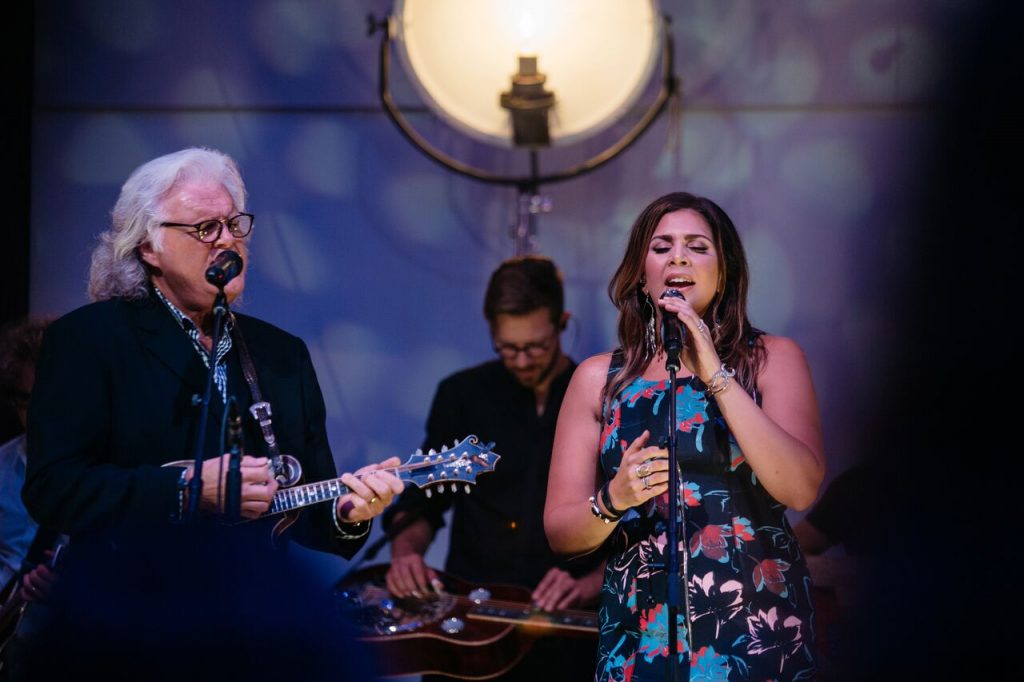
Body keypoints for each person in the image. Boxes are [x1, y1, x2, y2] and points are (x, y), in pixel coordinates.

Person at [18, 147, 403, 678]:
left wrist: (346, 512)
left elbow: (302, 498)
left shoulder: (281, 354)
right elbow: (54, 489)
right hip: (125, 631)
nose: (227, 240)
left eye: (233, 224)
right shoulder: (88, 341)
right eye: (205, 228)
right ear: (149, 246)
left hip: (255, 634)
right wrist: (185, 490)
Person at [545, 192, 824, 681]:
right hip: (641, 622)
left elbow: (799, 487)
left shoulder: (772, 359)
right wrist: (612, 499)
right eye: (661, 247)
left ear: (725, 271)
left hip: (755, 617)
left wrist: (715, 372)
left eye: (697, 246)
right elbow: (561, 533)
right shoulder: (599, 379)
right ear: (640, 271)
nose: (678, 257)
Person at [383, 256, 605, 681]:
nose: (522, 361)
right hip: (472, 627)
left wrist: (589, 584)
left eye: (536, 346)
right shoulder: (462, 395)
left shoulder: (601, 395)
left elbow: (634, 522)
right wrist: (406, 554)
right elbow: (424, 502)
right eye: (507, 348)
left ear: (563, 322)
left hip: (566, 629)